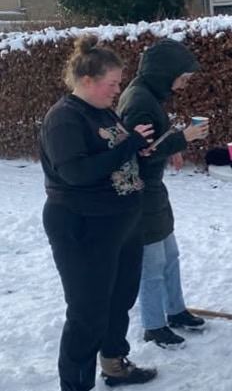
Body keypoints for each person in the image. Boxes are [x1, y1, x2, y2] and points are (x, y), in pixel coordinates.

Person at [40, 34, 157, 390]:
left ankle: (114, 364)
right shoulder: (65, 118)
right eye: (113, 83)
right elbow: (76, 173)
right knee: (87, 312)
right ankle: (75, 384)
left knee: (119, 299)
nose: (118, 90)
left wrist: (137, 150)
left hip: (121, 222)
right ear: (87, 80)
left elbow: (111, 153)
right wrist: (129, 145)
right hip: (82, 226)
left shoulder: (103, 111)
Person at [117, 39, 209, 349]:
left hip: (154, 190)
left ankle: (176, 310)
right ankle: (154, 325)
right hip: (141, 195)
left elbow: (152, 142)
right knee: (153, 264)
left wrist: (172, 146)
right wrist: (183, 138)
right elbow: (140, 152)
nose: (183, 84)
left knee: (170, 256)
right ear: (164, 73)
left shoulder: (148, 94)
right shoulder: (140, 101)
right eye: (182, 78)